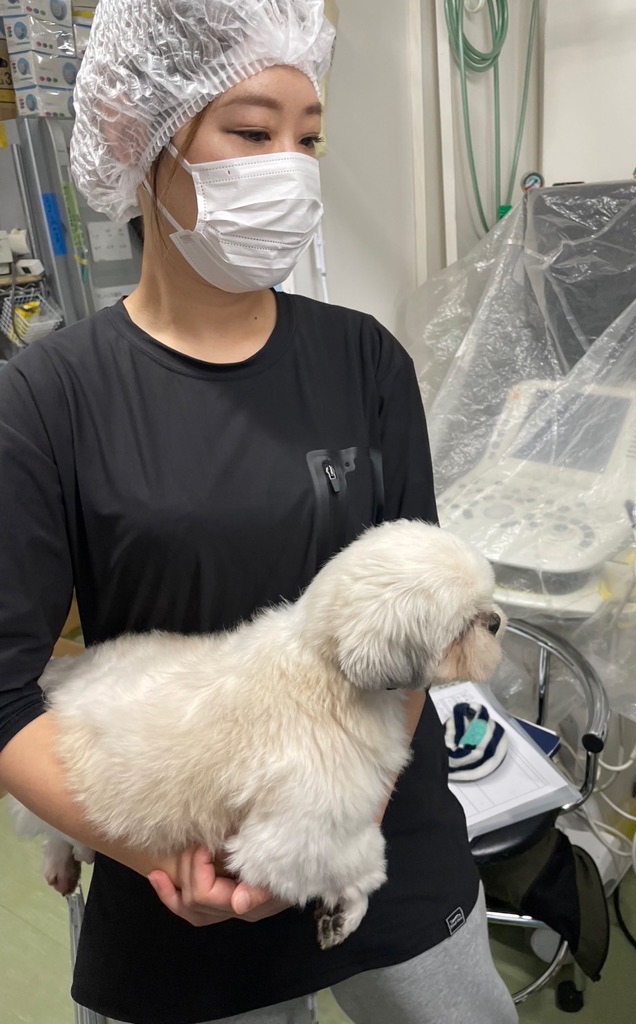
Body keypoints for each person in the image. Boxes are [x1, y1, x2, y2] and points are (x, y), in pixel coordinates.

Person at [0, 2, 519, 1022]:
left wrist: (334, 824)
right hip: (177, 846)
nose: (290, 169)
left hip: (380, 826)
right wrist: (157, 851)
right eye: (250, 131)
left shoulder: (364, 361)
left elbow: (422, 632)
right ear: (133, 135)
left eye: (308, 138)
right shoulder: (50, 397)